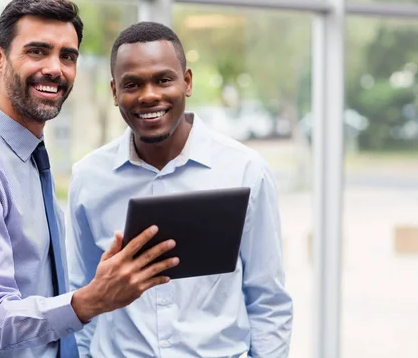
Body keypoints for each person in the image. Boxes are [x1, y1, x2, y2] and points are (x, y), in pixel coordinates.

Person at [0, 0, 179, 358]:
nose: (56, 68)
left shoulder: (29, 159)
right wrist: (89, 301)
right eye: (37, 52)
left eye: (67, 56)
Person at [67, 21, 293, 357]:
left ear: (186, 82)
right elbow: (82, 293)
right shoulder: (89, 178)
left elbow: (268, 301)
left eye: (163, 79)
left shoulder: (245, 171)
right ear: (114, 92)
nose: (149, 95)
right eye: (132, 84)